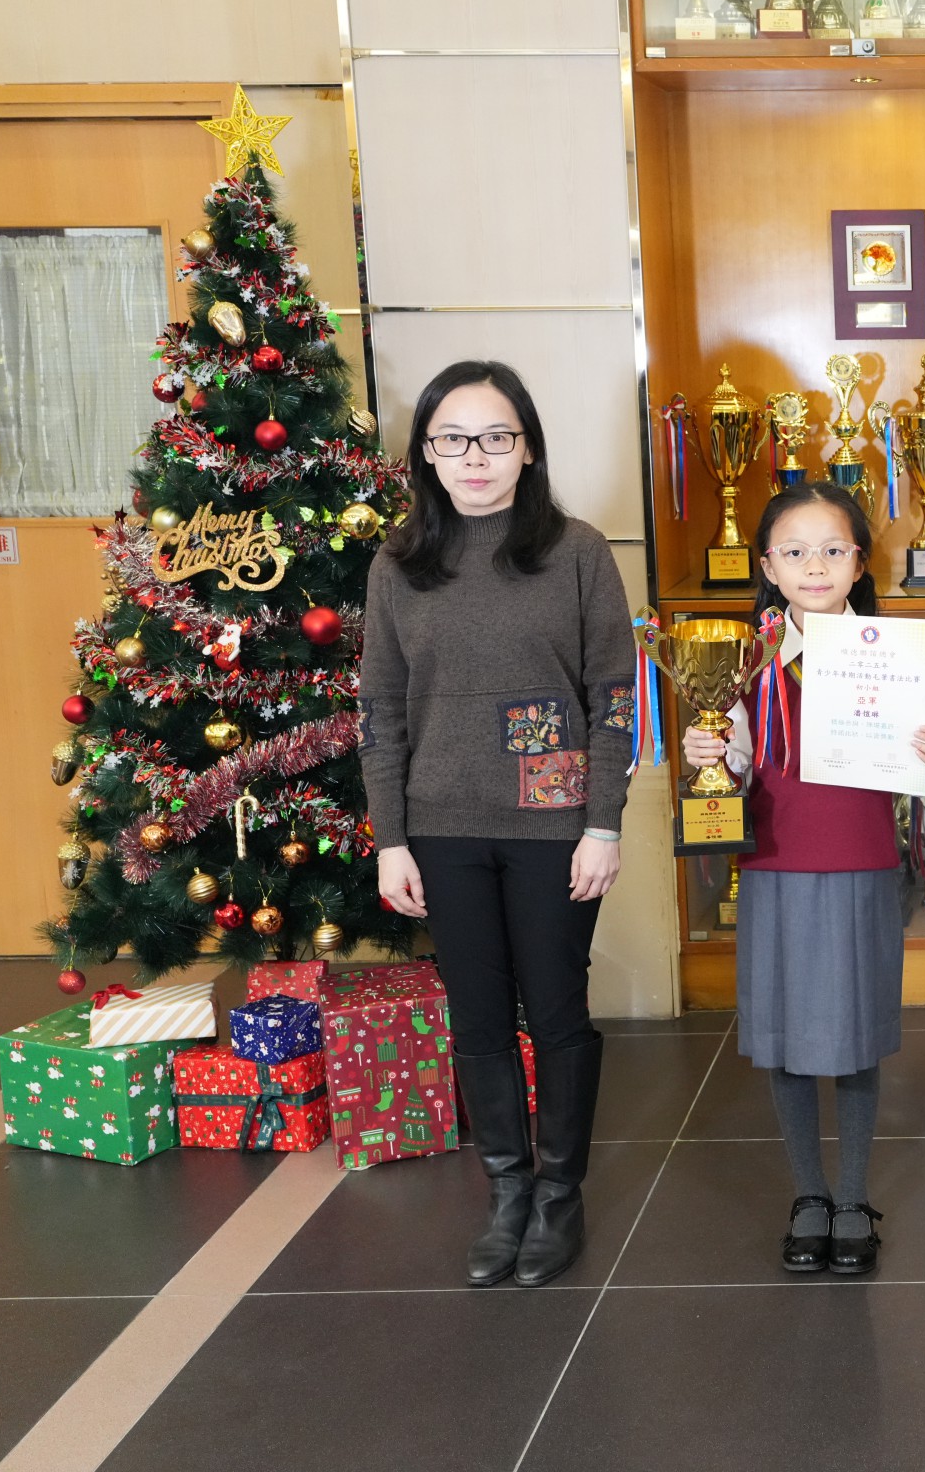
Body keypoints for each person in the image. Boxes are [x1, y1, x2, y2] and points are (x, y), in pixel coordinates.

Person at [362, 359, 634, 1289]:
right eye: (453, 439)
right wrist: (391, 840)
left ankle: (560, 1195)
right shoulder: (398, 565)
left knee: (556, 1010)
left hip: (554, 824)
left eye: (494, 437)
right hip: (441, 825)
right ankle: (508, 1191)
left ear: (527, 449)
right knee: (476, 1016)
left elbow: (615, 698)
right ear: (427, 455)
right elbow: (380, 710)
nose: (474, 457)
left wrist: (604, 825)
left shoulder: (577, 552)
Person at [677, 483, 925, 1276]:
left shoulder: (891, 657)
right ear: (768, 566)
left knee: (857, 1034)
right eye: (795, 552)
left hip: (862, 862)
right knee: (788, 1035)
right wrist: (710, 756)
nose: (815, 566)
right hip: (775, 865)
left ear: (860, 563)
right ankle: (808, 1193)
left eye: (834, 549)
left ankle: (855, 1195)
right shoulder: (744, 661)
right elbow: (732, 768)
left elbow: (923, 779)